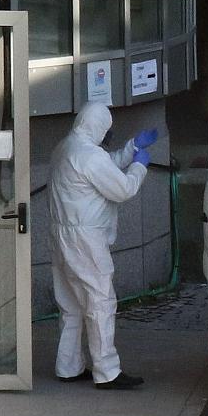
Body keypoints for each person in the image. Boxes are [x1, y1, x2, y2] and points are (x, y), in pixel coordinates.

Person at [47, 101, 159, 390]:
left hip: (62, 235)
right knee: (100, 302)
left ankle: (68, 366)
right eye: (107, 129)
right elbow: (122, 188)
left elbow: (103, 164)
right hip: (86, 240)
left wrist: (132, 147)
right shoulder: (89, 156)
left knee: (71, 304)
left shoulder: (67, 147)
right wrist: (138, 166)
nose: (108, 135)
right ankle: (107, 370)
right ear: (97, 127)